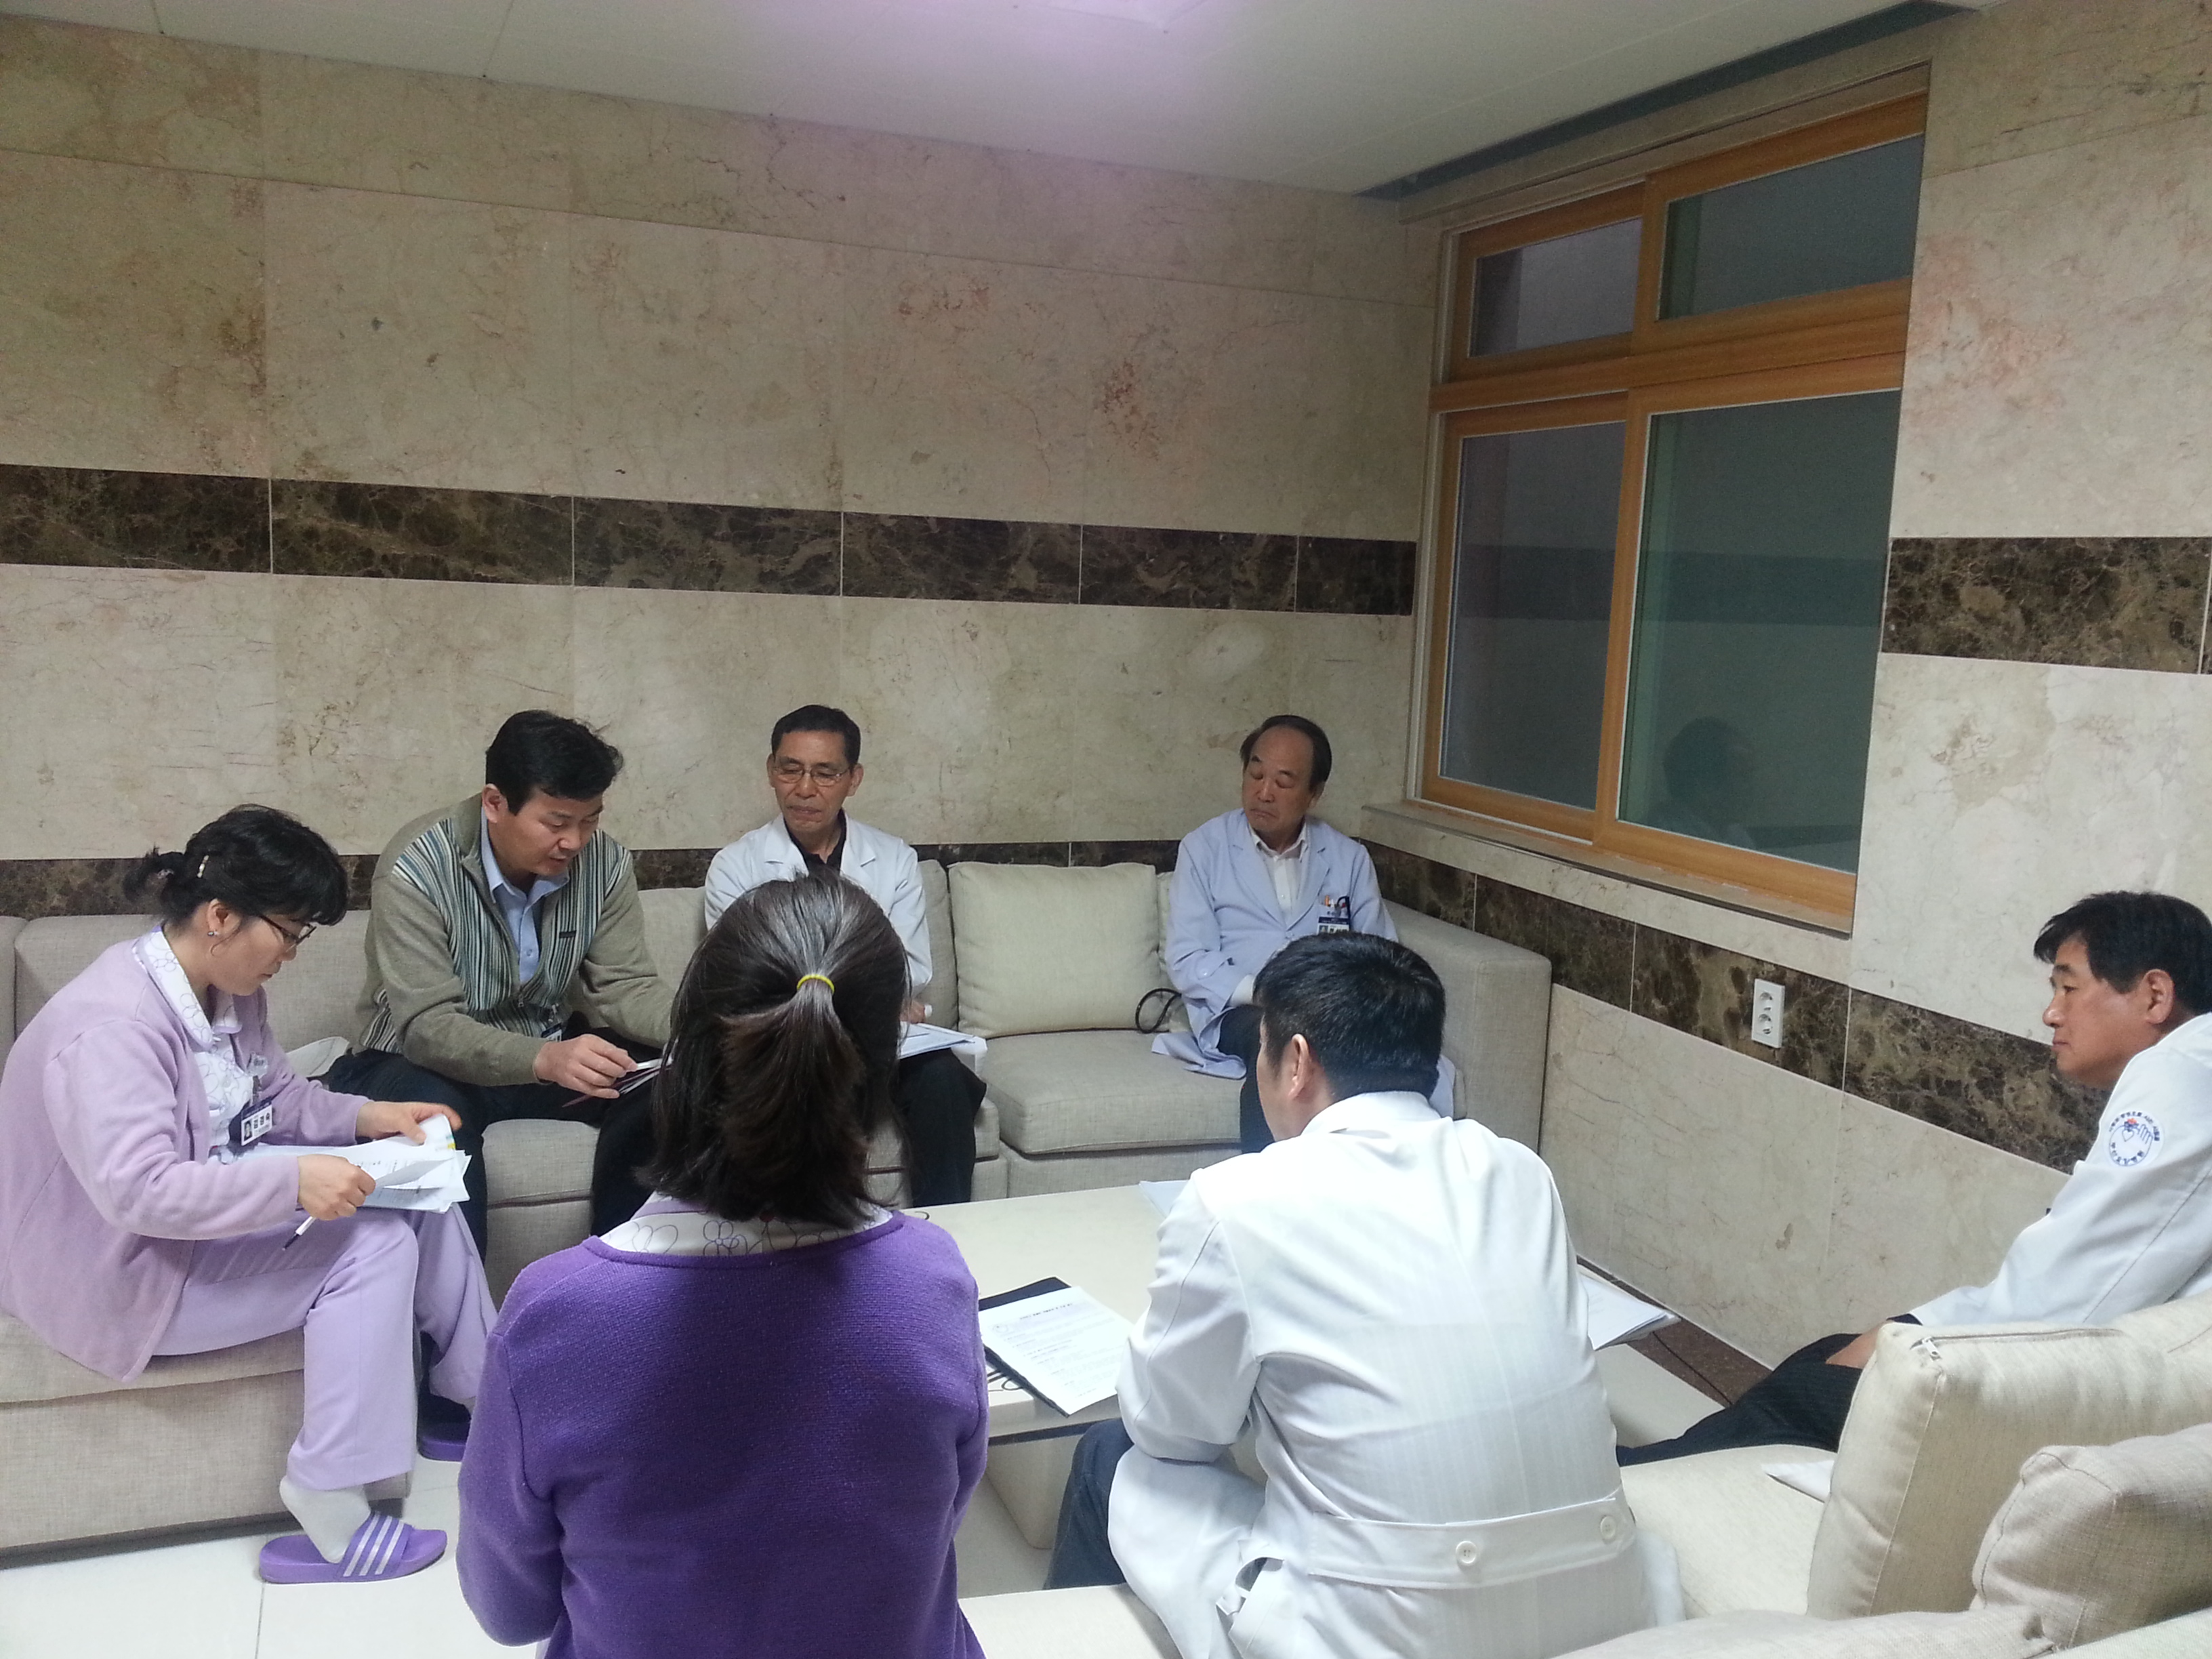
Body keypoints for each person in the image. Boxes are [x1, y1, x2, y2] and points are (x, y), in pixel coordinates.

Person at [1050, 933, 1674, 1659]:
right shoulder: (1519, 1171)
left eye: (1260, 1050)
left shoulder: (1238, 1199)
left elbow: (1170, 1430)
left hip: (1382, 1632)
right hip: (1602, 1607)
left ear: (1296, 1062)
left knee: (1112, 1455)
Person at [459, 875, 988, 1659]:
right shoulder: (932, 1278)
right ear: (885, 1075)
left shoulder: (553, 1313)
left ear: (684, 1054)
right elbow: (937, 1521)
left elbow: (511, 1611)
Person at [0, 806, 495, 1583]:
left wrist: (369, 1118)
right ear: (220, 915)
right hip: (118, 1271)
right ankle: (330, 1496)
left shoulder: (226, 990)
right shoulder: (114, 1027)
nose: (291, 956)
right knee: (372, 1244)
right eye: (289, 933)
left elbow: (276, 1100)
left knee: (419, 1191)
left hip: (194, 1225)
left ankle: (487, 1399)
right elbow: (141, 1193)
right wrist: (295, 1181)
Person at [1624, 889, 2212, 1465]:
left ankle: (1642, 1480)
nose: (2051, 1013)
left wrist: (1912, 1346)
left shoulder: (2174, 1081)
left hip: (2064, 1396)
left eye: (2069, 988)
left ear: (2155, 995)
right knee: (1825, 1358)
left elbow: (2065, 1303)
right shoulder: (2191, 1067)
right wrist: (1908, 1332)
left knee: (1806, 1392)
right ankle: (1662, 1467)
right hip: (2105, 1365)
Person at [329, 710, 674, 1248]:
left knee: (668, 1086)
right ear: (495, 803)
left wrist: (710, 1026)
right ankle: (456, 1306)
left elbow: (627, 986)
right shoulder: (417, 866)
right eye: (556, 823)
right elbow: (429, 1027)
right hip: (416, 1061)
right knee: (435, 1124)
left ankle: (623, 1272)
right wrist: (544, 1059)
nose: (575, 842)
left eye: (589, 821)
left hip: (545, 1055)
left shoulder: (604, 864)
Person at [690, 703, 984, 1206]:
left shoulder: (893, 859)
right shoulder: (736, 867)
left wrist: (862, 993)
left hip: (873, 1045)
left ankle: (949, 1230)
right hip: (781, 1044)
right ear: (771, 771)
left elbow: (911, 968)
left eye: (825, 773)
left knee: (942, 1080)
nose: (805, 789)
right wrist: (873, 993)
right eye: (791, 769)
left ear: (853, 779)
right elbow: (743, 981)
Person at [1156, 714, 1425, 1153]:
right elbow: (1188, 957)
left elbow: (1380, 952)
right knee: (1276, 1044)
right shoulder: (1205, 848)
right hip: (1241, 1009)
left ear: (1314, 794)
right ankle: (1268, 1182)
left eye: (1283, 782)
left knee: (1377, 1061)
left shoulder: (1348, 858)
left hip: (1328, 1008)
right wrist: (1265, 992)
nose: (1264, 792)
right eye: (1256, 774)